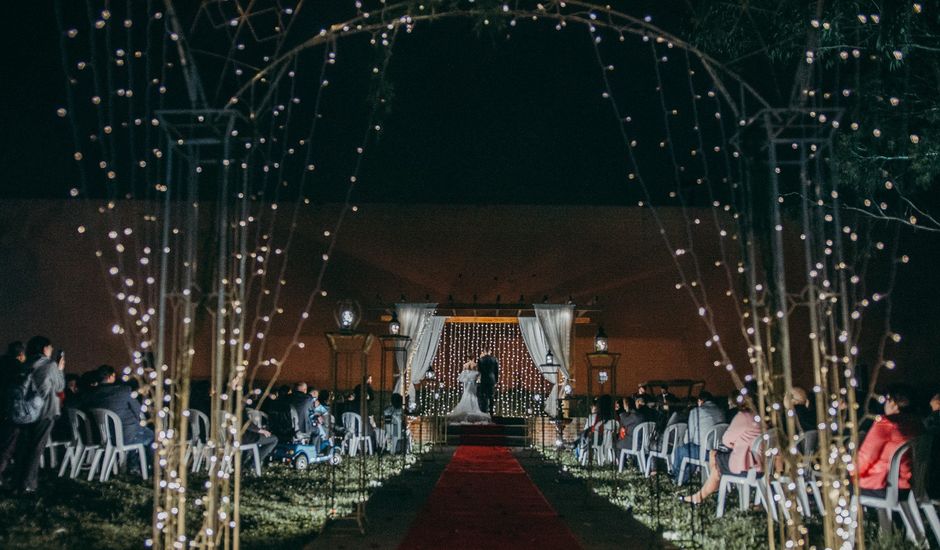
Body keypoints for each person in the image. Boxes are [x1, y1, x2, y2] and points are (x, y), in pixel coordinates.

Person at [0, 336, 65, 492]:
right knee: (36, 448)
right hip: (45, 412)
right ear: (44, 349)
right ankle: (28, 484)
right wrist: (60, 370)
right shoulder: (49, 365)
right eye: (49, 348)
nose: (50, 351)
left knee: (24, 447)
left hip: (26, 411)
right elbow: (59, 386)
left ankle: (18, 482)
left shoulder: (25, 364)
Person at [682, 392, 762, 504]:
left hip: (746, 464)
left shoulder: (744, 416)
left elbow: (726, 440)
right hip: (762, 463)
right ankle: (706, 490)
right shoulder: (761, 416)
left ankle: (707, 491)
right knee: (716, 457)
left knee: (714, 455)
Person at [84, 364, 153, 472]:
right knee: (151, 436)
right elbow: (137, 410)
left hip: (105, 437)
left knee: (134, 432)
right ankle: (149, 469)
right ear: (111, 376)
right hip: (126, 436)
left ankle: (133, 466)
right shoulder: (124, 391)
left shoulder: (93, 394)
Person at [857, 385, 923, 496]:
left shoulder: (886, 424)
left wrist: (849, 471)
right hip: (911, 484)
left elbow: (866, 457)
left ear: (893, 403)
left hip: (884, 484)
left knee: (844, 484)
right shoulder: (917, 424)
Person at [673, 391, 726, 485]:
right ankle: (684, 476)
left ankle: (677, 476)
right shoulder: (720, 411)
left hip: (703, 452)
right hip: (718, 452)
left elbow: (690, 436)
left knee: (680, 450)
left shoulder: (696, 411)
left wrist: (685, 444)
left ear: (700, 401)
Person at [446, 357, 491, 424]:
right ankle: (473, 408)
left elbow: (463, 374)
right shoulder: (475, 364)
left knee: (466, 394)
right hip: (472, 382)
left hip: (467, 382)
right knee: (472, 395)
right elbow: (477, 374)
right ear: (473, 358)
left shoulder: (465, 365)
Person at [476, 348, 499, 415]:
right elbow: (496, 371)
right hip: (492, 379)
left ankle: (484, 410)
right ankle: (491, 410)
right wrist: (496, 380)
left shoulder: (480, 359)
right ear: (490, 351)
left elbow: (479, 371)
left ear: (484, 351)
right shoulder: (494, 359)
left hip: (484, 379)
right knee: (491, 395)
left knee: (483, 395)